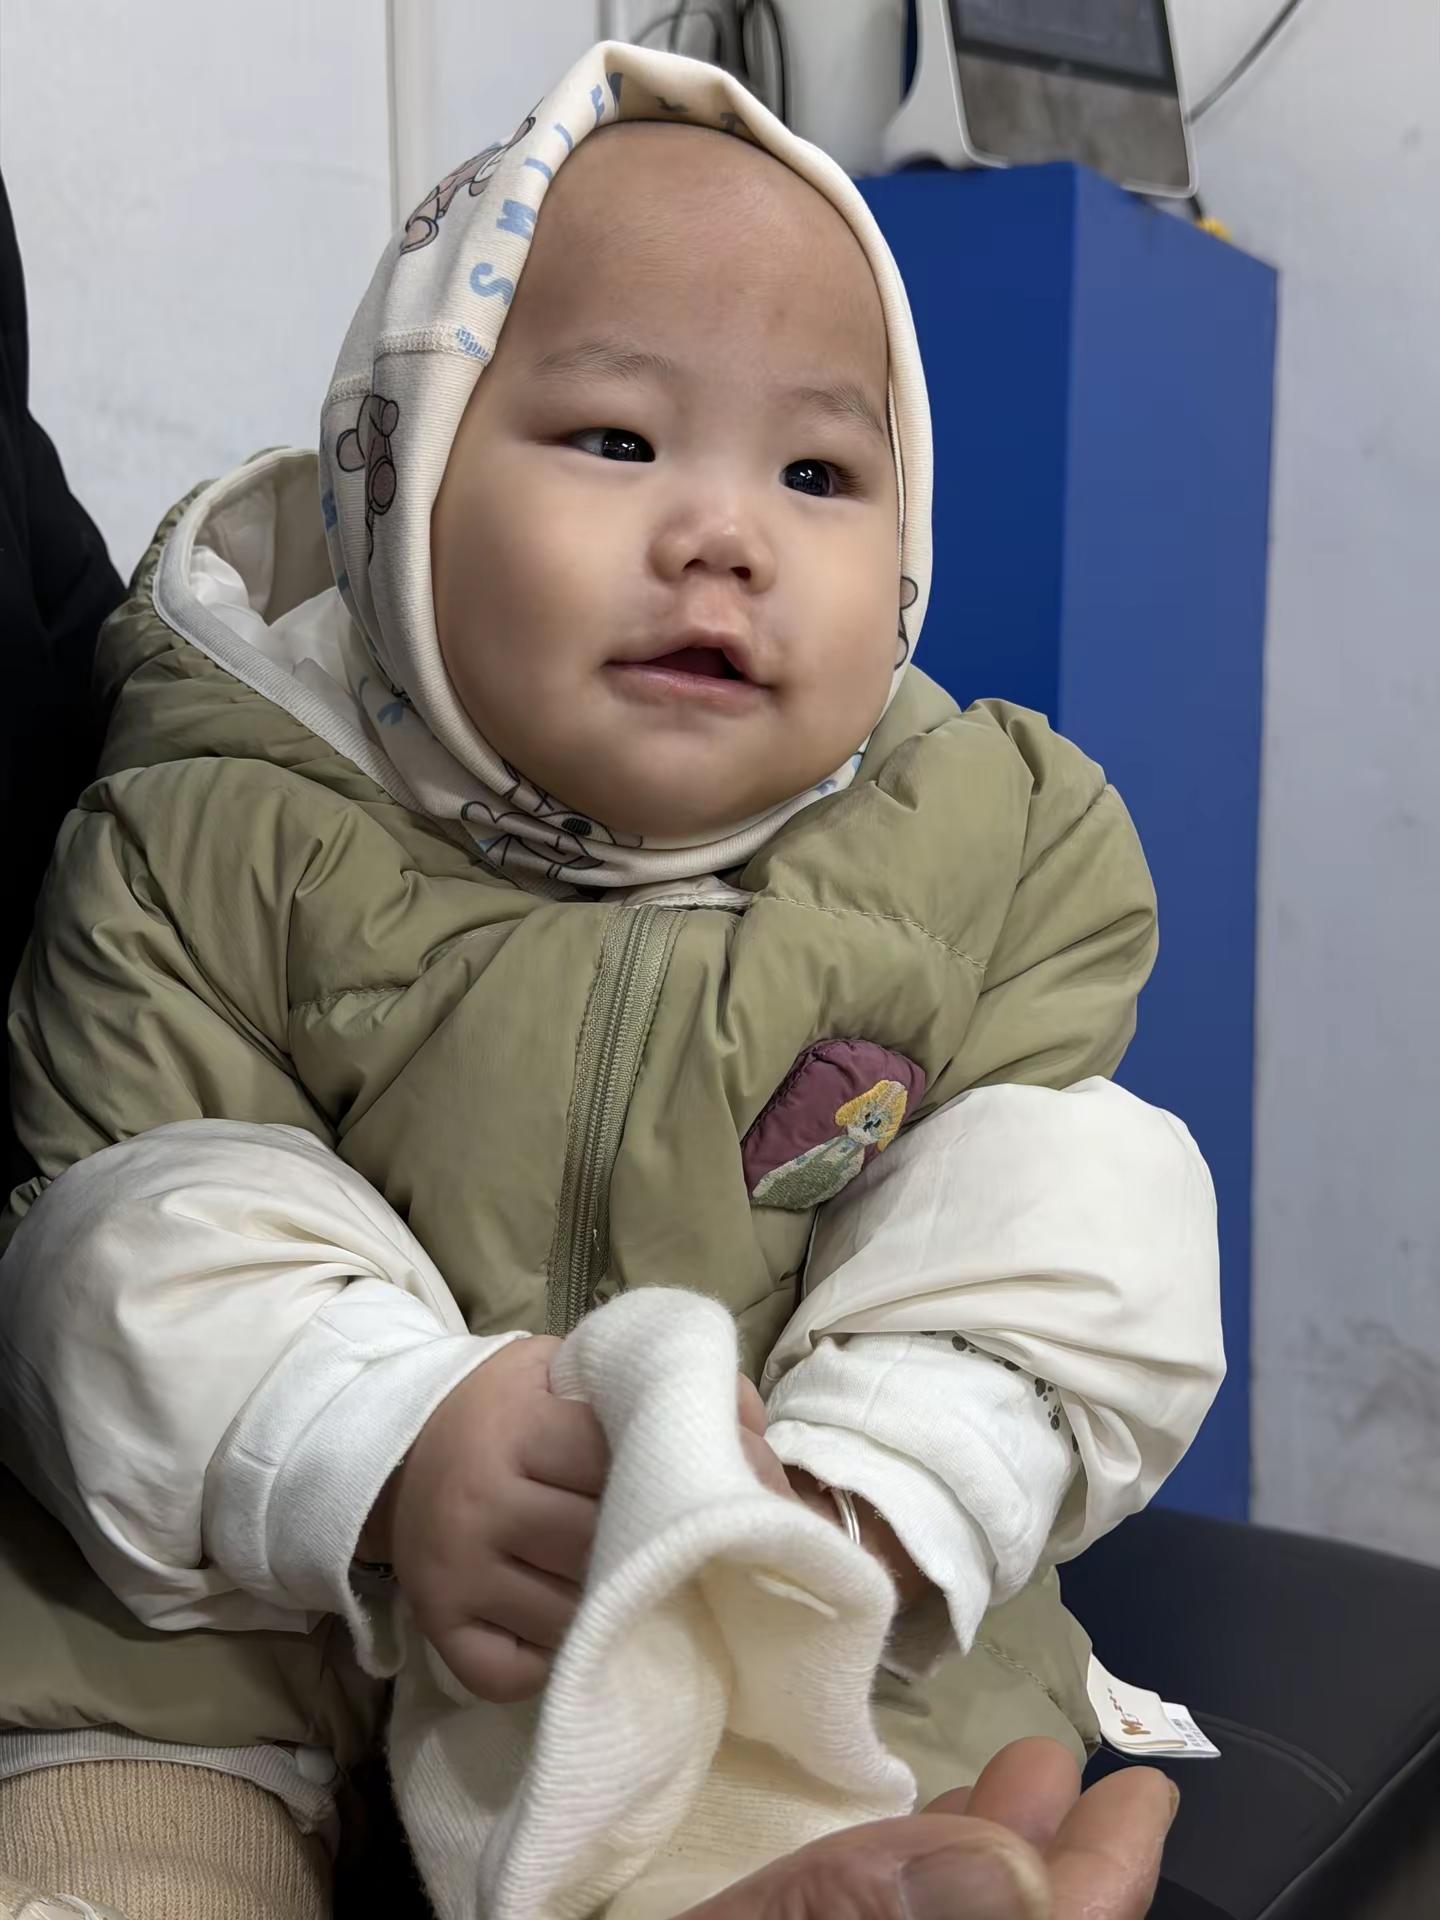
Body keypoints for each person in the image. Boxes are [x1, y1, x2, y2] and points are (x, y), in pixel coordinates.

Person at [0, 38, 1222, 1920]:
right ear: (401, 484)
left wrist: (890, 1482)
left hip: (762, 1567)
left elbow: (1059, 1214)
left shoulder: (995, 852)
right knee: (114, 1775)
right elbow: (129, 1222)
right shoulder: (212, 830)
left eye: (819, 470)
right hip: (257, 1606)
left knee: (917, 1790)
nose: (724, 534)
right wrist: (382, 1445)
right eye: (617, 441)